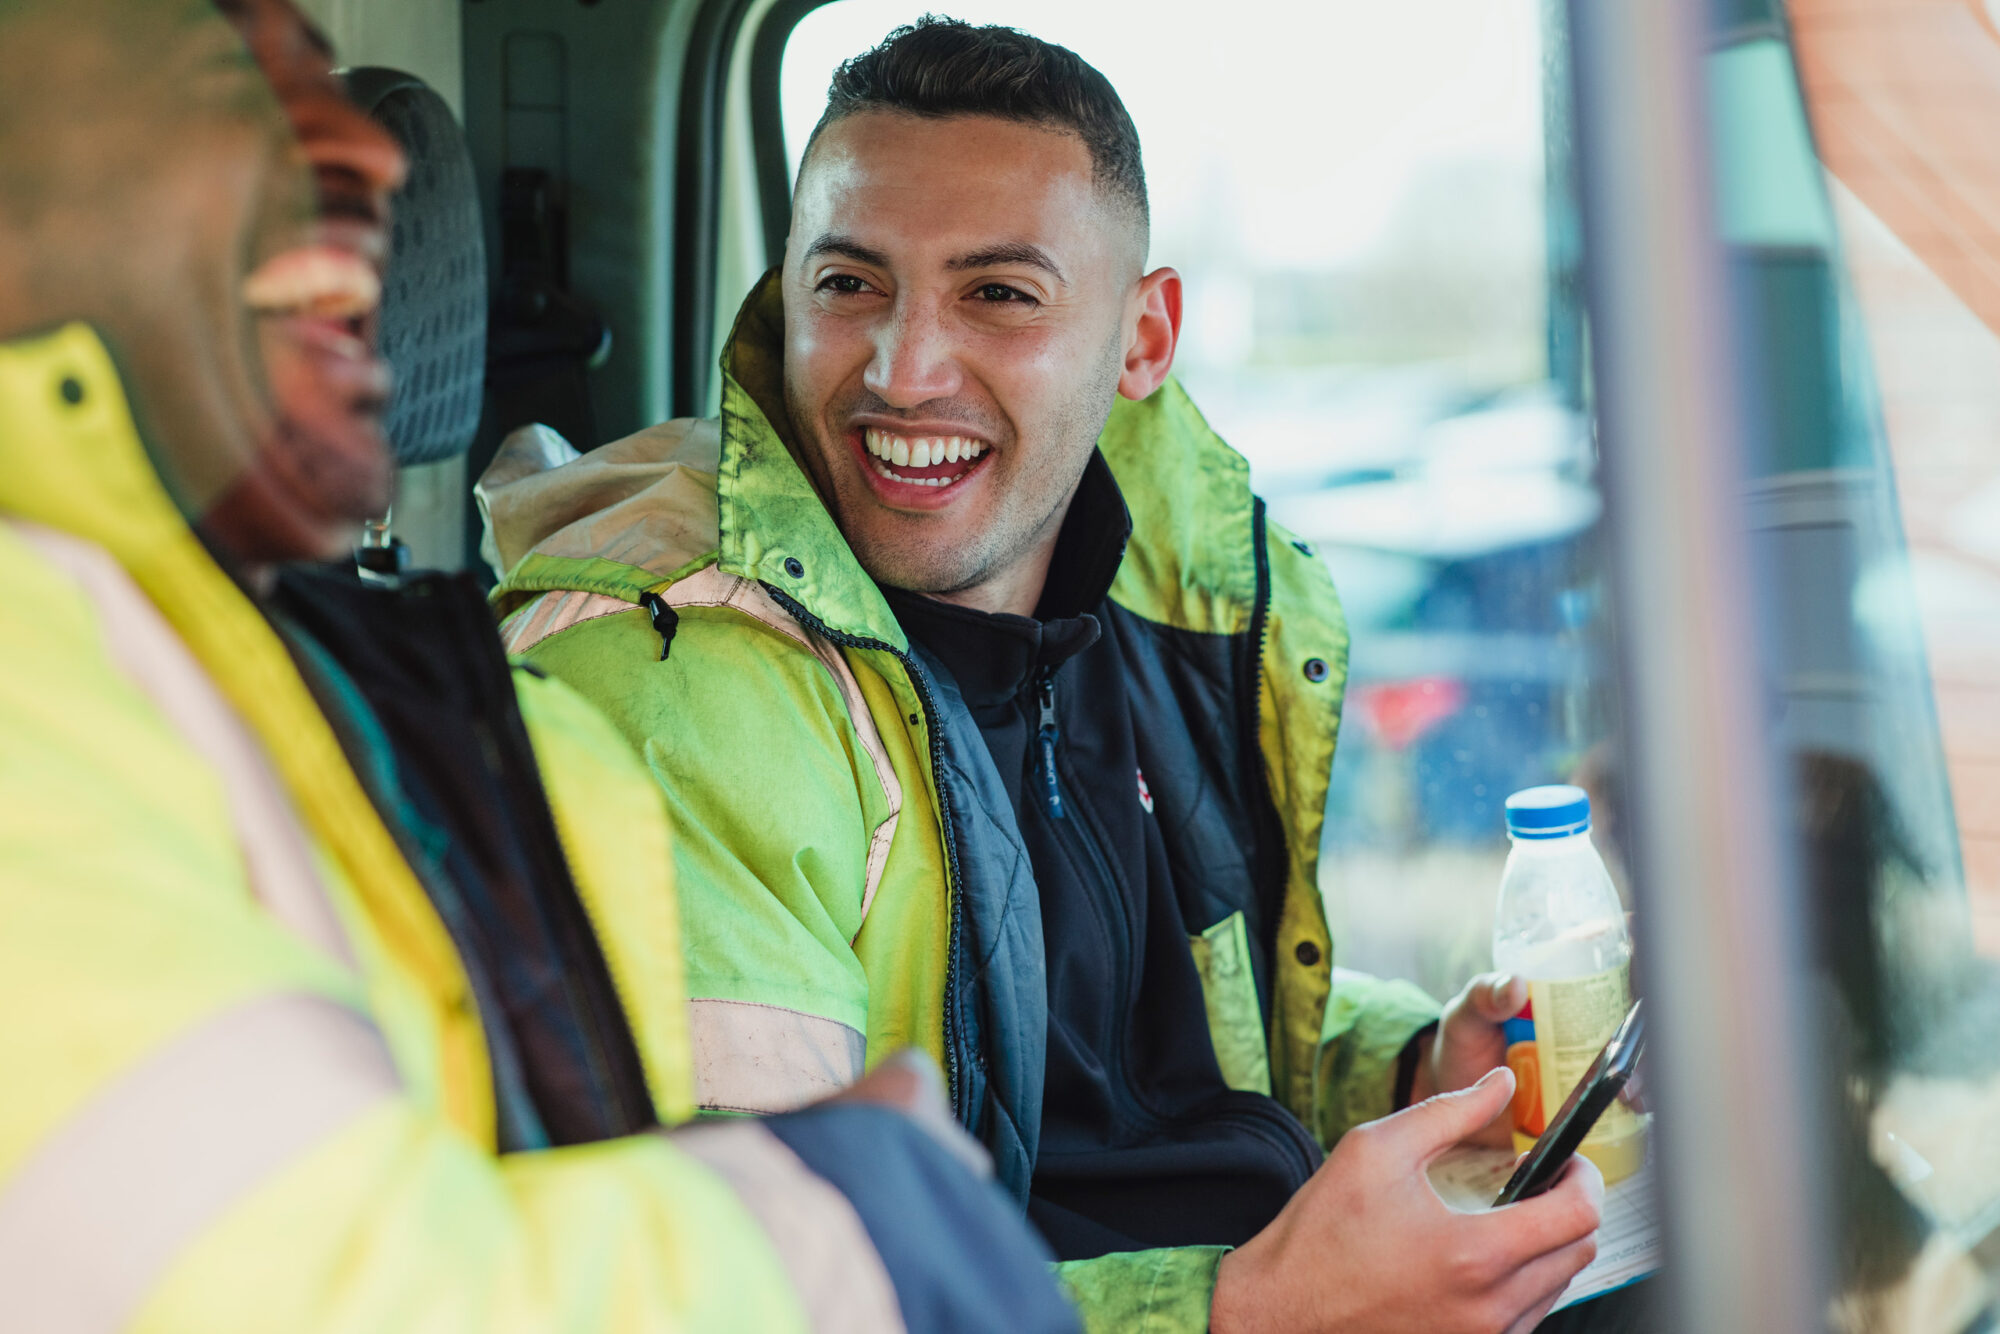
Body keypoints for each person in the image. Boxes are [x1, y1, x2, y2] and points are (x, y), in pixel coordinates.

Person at [480, 16, 1602, 1333]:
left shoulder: (1142, 602)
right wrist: (1246, 1311)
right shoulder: (675, 684)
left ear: (1144, 338)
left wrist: (1405, 1065)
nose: (902, 368)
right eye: (847, 284)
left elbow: (1145, 1053)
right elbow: (738, 1299)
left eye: (997, 294)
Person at [0, 2, 1078, 1329]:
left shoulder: (357, 683)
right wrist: (861, 1205)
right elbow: (307, 1289)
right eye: (232, 74)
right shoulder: (38, 672)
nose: (366, 151)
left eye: (1003, 293)